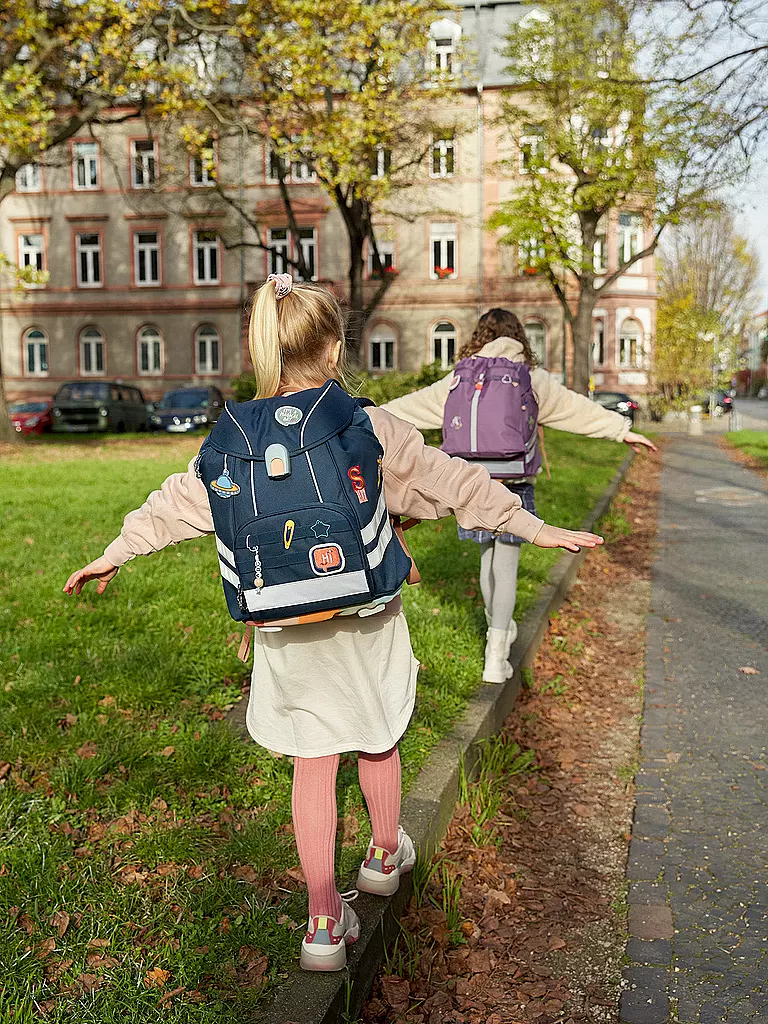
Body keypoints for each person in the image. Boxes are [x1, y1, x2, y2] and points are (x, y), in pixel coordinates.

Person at [64, 281, 604, 973]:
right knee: (378, 736)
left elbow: (177, 503)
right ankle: (383, 855)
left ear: (263, 346)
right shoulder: (365, 424)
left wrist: (116, 551)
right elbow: (451, 482)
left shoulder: (235, 439)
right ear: (337, 348)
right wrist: (531, 524)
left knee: (313, 762)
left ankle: (322, 922)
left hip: (283, 627)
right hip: (366, 614)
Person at [381, 307, 656, 684]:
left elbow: (409, 408)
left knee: (486, 562)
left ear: (480, 335)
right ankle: (496, 655)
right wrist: (620, 430)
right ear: (517, 335)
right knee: (506, 565)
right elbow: (574, 409)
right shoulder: (529, 375)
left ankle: (499, 628)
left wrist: (361, 418)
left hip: (471, 483)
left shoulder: (460, 377)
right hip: (513, 480)